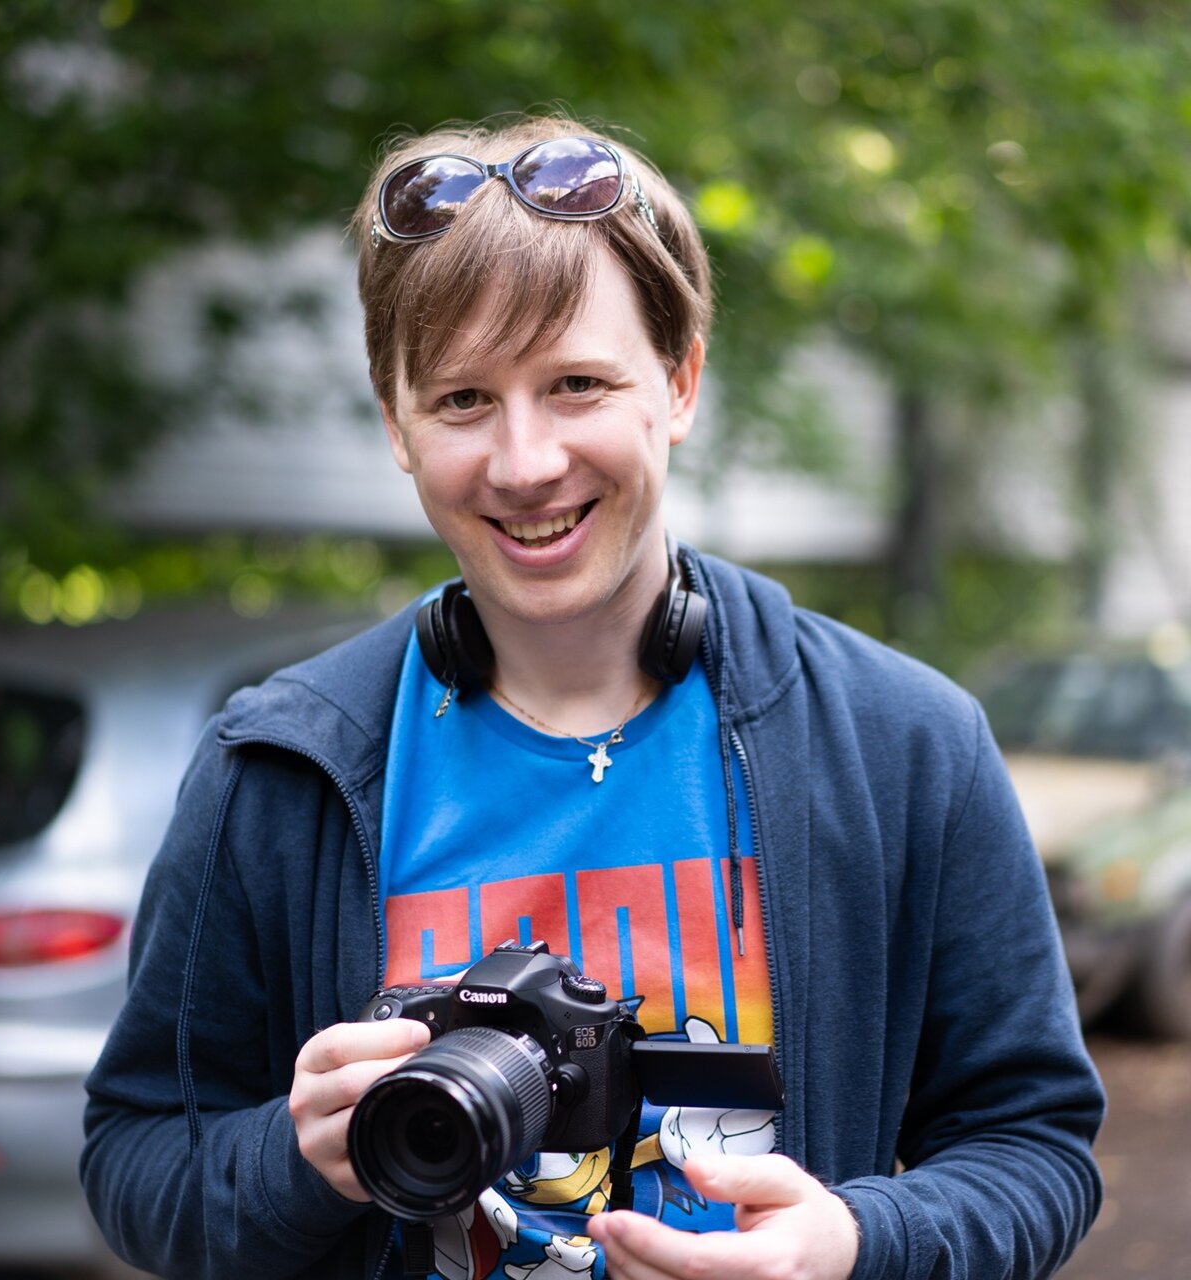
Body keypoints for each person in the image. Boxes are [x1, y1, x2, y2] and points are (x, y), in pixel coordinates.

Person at [81, 114, 1104, 1280]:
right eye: (462, 399)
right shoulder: (275, 770)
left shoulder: (903, 744)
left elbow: (1032, 1144)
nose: (524, 462)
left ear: (679, 381)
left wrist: (856, 1244)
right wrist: (294, 1158)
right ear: (394, 420)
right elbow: (135, 1158)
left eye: (576, 384)